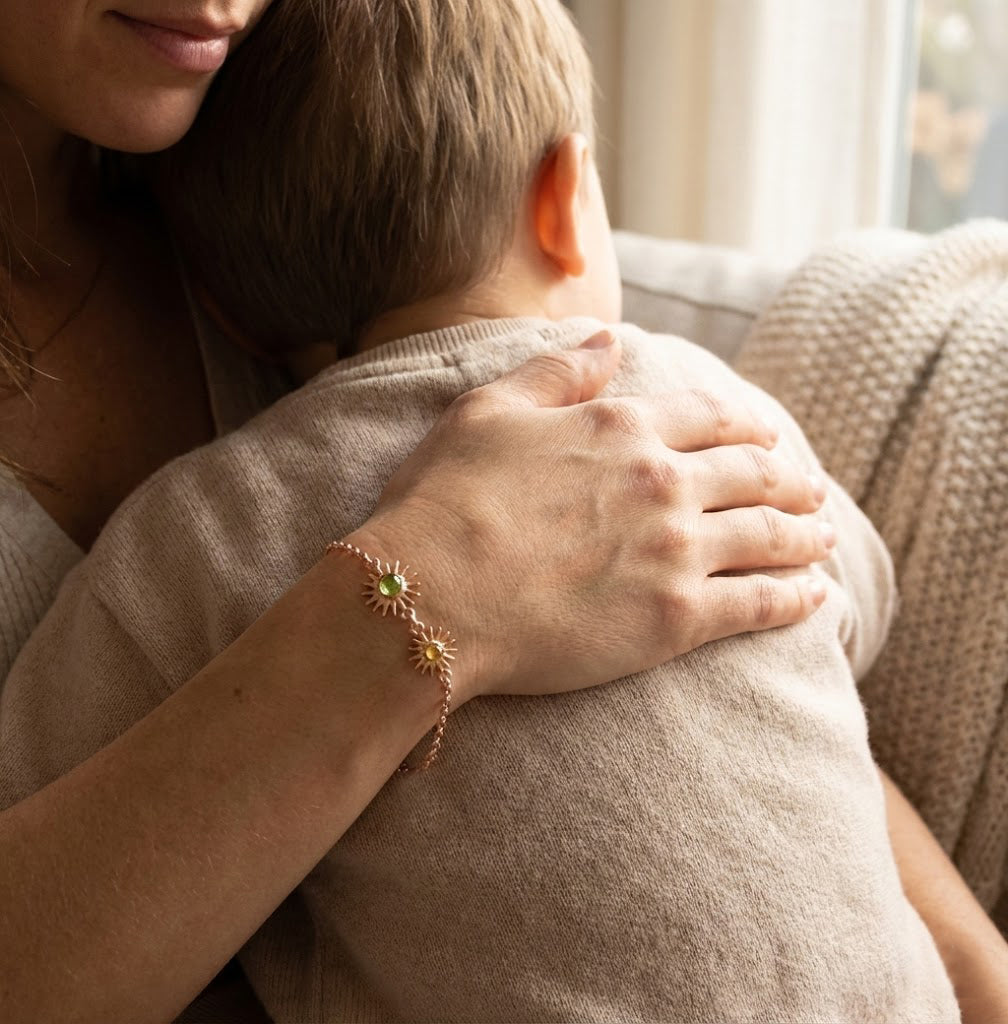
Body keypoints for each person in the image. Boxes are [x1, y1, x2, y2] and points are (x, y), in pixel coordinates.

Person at [3, 0, 996, 1019]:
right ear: (566, 198)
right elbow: (827, 610)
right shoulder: (704, 402)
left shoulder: (200, 524)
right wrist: (421, 608)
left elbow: (35, 765)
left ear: (229, 310)